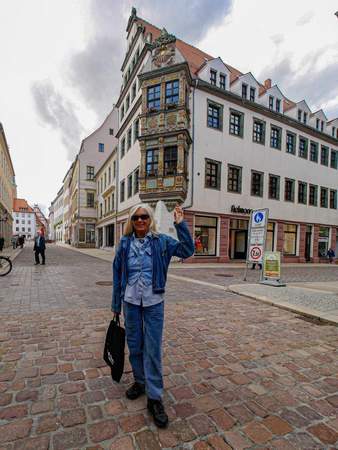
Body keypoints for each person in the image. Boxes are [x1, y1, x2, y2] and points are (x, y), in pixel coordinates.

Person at [112, 203, 194, 428]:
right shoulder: (124, 243)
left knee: (153, 348)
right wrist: (115, 305)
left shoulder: (161, 242)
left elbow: (187, 250)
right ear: (131, 220)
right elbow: (117, 272)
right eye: (136, 217)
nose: (140, 221)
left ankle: (155, 397)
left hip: (154, 303)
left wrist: (180, 224)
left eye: (144, 217)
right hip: (130, 302)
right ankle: (140, 381)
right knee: (135, 345)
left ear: (150, 220)